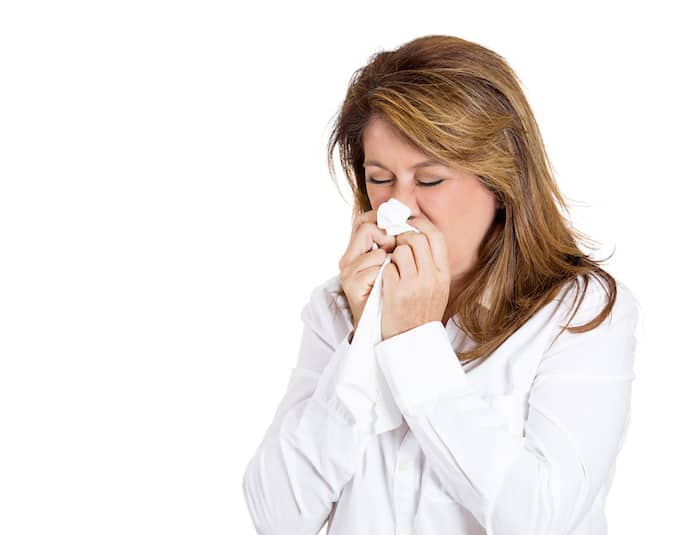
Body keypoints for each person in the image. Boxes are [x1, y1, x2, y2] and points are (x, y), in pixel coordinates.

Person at [242, 34, 641, 535]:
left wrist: (413, 346)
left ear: (502, 181)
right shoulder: (338, 307)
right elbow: (275, 517)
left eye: (429, 180)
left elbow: (540, 518)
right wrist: (363, 343)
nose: (398, 207)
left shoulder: (579, 312)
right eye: (379, 177)